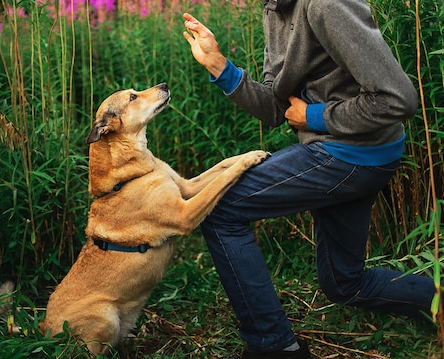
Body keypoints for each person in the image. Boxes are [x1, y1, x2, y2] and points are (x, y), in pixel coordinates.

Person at [182, 0, 436, 358]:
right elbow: (277, 108)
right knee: (343, 284)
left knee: (220, 207)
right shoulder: (274, 8)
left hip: (352, 154)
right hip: (345, 152)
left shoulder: (325, 4)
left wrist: (315, 116)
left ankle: (274, 347)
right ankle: (436, 300)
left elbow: (397, 99)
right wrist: (219, 66)